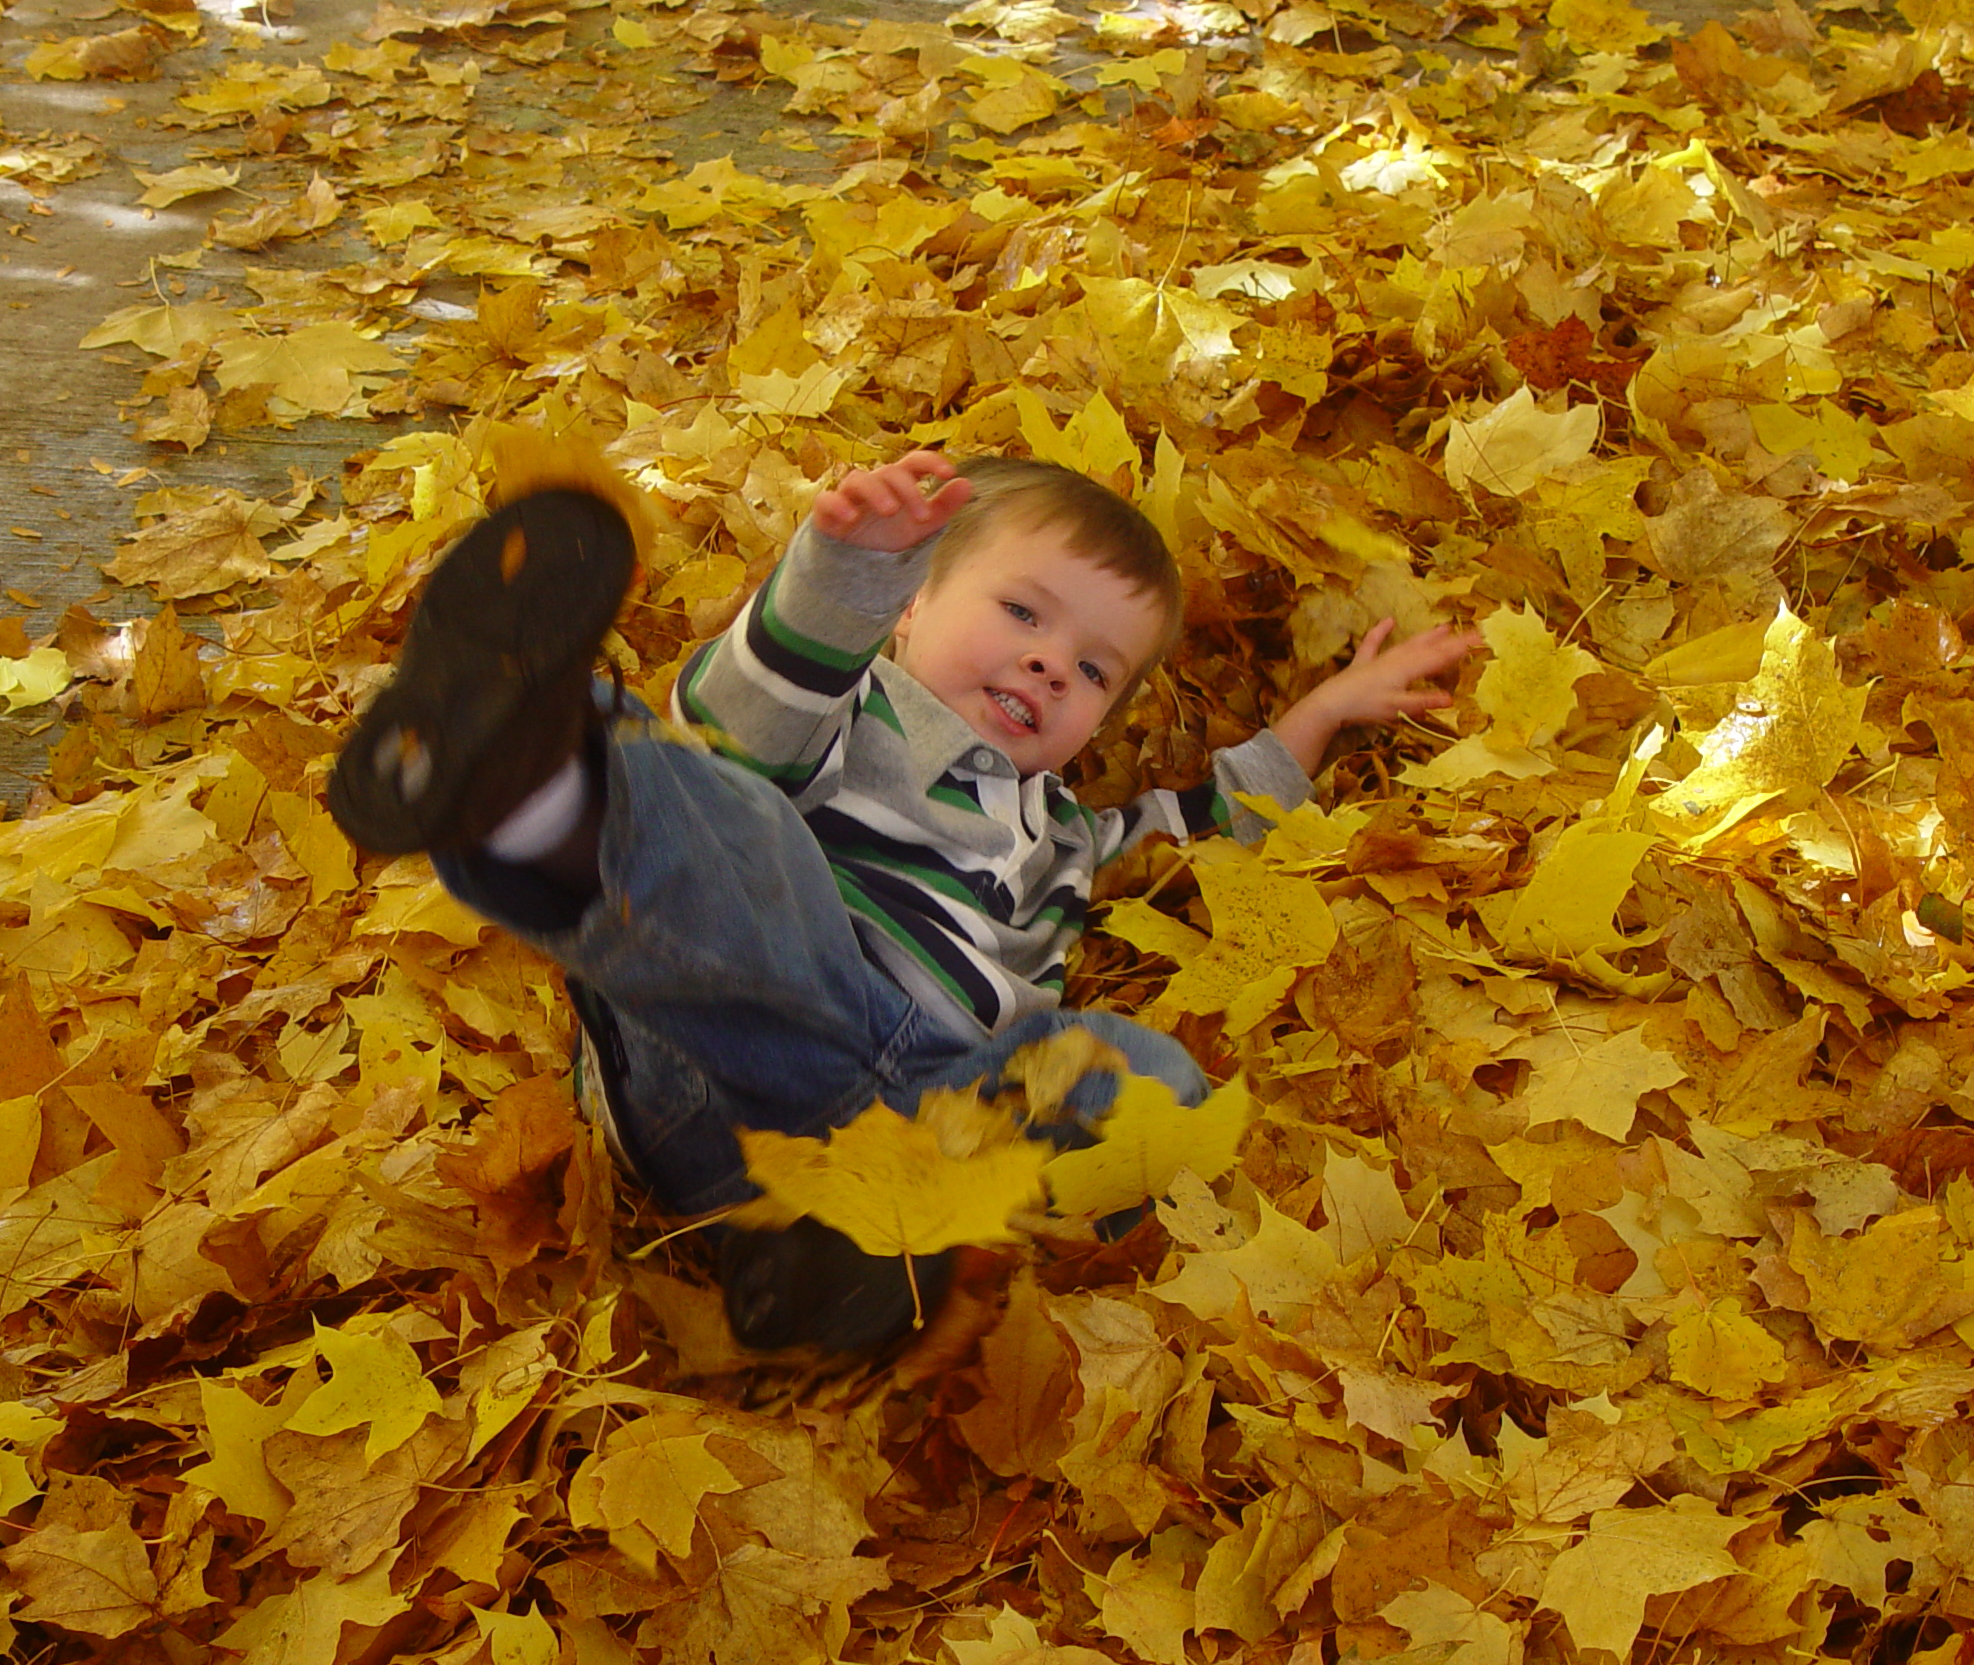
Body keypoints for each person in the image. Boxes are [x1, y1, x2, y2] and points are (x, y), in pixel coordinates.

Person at [327, 445, 1473, 1352]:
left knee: (1137, 1075)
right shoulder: (853, 714)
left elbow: (1205, 821)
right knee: (743, 821)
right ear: (914, 610)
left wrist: (1321, 718)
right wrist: (848, 576)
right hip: (725, 1058)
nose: (1045, 666)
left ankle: (851, 1267)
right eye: (1022, 615)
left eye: (1091, 671)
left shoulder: (1065, 834)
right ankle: (528, 786)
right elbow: (743, 717)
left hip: (921, 1125)